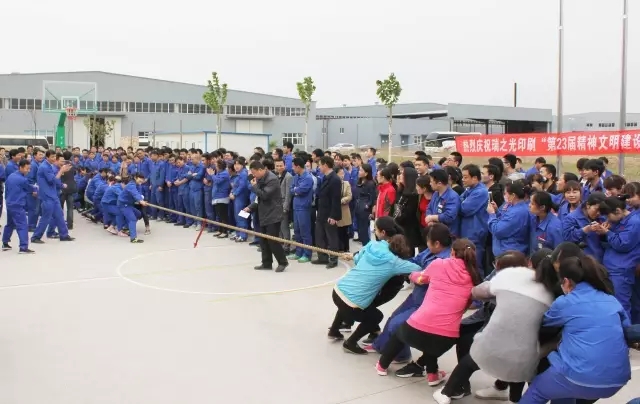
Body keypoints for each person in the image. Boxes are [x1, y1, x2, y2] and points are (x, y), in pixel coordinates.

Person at [433, 250, 558, 404]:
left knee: (471, 360)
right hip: (528, 351)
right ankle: (511, 396)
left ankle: (447, 392)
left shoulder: (514, 278)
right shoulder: (556, 292)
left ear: (530, 263)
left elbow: (477, 292)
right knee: (518, 363)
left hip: (496, 343)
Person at [519, 256, 631, 403]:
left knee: (537, 390)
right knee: (563, 386)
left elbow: (542, 323)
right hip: (617, 379)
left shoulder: (566, 302)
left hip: (580, 376)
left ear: (566, 281)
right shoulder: (612, 300)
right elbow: (626, 329)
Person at [375, 239, 482, 386]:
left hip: (416, 329)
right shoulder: (474, 277)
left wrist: (411, 275)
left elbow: (420, 279)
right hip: (446, 339)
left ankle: (382, 366)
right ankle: (432, 375)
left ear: (452, 252)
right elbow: (470, 303)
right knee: (434, 337)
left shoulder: (439, 264)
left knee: (400, 333)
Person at [367, 223, 453, 371]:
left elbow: (423, 277)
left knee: (398, 324)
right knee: (393, 317)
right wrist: (400, 264)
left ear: (437, 243)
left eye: (428, 241)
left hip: (427, 302)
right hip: (416, 296)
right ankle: (380, 345)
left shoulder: (445, 261)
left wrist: (410, 272)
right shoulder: (430, 252)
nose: (426, 244)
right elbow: (415, 261)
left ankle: (401, 355)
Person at [327, 216, 419, 353]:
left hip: (337, 291)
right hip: (357, 300)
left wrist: (355, 256)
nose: (375, 231)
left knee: (353, 297)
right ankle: (351, 343)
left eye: (375, 229)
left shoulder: (373, 244)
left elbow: (358, 259)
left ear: (383, 233)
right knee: (374, 315)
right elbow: (417, 268)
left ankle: (335, 330)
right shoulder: (395, 262)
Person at [598, 195, 640, 320]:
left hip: (621, 271)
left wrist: (608, 233)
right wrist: (605, 233)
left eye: (608, 215)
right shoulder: (619, 221)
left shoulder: (634, 222)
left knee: (621, 305)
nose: (607, 218)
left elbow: (623, 244)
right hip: (614, 268)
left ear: (617, 211)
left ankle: (627, 330)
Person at [245, 161, 288, 273]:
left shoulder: (272, 179)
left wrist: (254, 186)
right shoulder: (260, 179)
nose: (254, 175)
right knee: (263, 240)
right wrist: (250, 207)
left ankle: (283, 262)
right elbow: (258, 198)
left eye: (254, 173)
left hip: (273, 214)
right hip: (264, 213)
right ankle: (266, 263)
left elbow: (264, 195)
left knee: (273, 240)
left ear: (260, 170)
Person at [31, 150, 75, 244]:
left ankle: (64, 235)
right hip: (47, 195)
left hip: (53, 194)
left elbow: (55, 180)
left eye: (55, 156)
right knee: (46, 217)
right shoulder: (44, 167)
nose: (54, 158)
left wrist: (61, 179)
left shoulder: (49, 166)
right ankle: (36, 236)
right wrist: (61, 171)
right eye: (52, 157)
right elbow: (52, 180)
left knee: (59, 215)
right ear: (47, 157)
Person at [487, 181, 531, 258]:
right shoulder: (513, 207)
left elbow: (498, 231)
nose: (504, 196)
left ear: (513, 195)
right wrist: (497, 212)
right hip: (506, 252)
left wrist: (492, 214)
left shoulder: (517, 212)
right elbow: (504, 221)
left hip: (509, 255)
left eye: (505, 193)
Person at [312, 156, 342, 269]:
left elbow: (336, 199)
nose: (319, 167)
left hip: (330, 213)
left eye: (320, 165)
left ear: (325, 165)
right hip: (321, 212)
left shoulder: (335, 179)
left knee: (331, 237)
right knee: (319, 235)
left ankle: (333, 259)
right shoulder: (325, 177)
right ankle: (322, 257)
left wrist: (334, 216)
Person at [459, 164, 489, 274]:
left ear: (475, 178)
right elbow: (459, 200)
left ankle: (478, 283)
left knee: (475, 265)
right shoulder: (470, 189)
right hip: (468, 231)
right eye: (462, 177)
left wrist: (461, 203)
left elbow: (464, 209)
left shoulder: (480, 192)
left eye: (465, 177)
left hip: (475, 233)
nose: (463, 179)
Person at [2, 159, 36, 253]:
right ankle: (23, 247)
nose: (28, 171)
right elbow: (28, 188)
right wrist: (35, 189)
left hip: (9, 203)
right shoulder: (23, 179)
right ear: (20, 167)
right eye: (27, 169)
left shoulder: (11, 176)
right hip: (17, 204)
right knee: (22, 225)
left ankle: (5, 243)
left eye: (29, 169)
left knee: (10, 223)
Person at [561, 192, 607, 263]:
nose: (598, 213)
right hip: (583, 262)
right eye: (596, 209)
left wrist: (605, 233)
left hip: (601, 260)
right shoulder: (571, 218)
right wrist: (585, 230)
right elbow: (567, 239)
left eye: (601, 211)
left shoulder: (602, 218)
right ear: (588, 205)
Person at [289, 157, 314, 262]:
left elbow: (301, 190)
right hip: (296, 207)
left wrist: (296, 190)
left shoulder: (308, 178)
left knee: (305, 231)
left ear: (298, 167)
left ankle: (307, 254)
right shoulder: (296, 177)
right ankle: (298, 252)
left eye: (293, 166)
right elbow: (291, 190)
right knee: (297, 231)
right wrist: (296, 190)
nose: (292, 168)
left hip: (304, 207)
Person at [426, 169, 461, 236]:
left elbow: (449, 217)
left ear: (439, 183)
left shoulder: (453, 197)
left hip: (448, 234)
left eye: (431, 182)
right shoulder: (435, 194)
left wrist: (432, 217)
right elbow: (429, 208)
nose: (430, 184)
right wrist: (430, 220)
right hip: (436, 231)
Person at [117, 173, 149, 243]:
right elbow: (135, 194)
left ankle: (125, 228)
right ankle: (133, 238)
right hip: (124, 205)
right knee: (133, 219)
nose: (141, 180)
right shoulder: (131, 185)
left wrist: (141, 200)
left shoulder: (137, 185)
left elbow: (138, 194)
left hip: (128, 204)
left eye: (142, 179)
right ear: (135, 178)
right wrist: (140, 201)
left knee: (138, 214)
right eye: (140, 179)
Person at [353, 163, 376, 246]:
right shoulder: (359, 181)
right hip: (358, 208)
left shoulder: (371, 183)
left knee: (364, 231)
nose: (359, 172)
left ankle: (367, 247)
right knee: (360, 231)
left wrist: (367, 205)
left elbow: (372, 198)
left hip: (365, 210)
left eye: (361, 170)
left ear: (366, 173)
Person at [336, 167, 352, 252]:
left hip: (344, 210)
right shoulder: (333, 184)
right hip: (335, 210)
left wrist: (341, 200)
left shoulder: (346, 183)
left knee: (344, 230)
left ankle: (346, 248)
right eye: (340, 173)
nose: (342, 175)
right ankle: (339, 247)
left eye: (343, 173)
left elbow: (349, 196)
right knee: (337, 230)